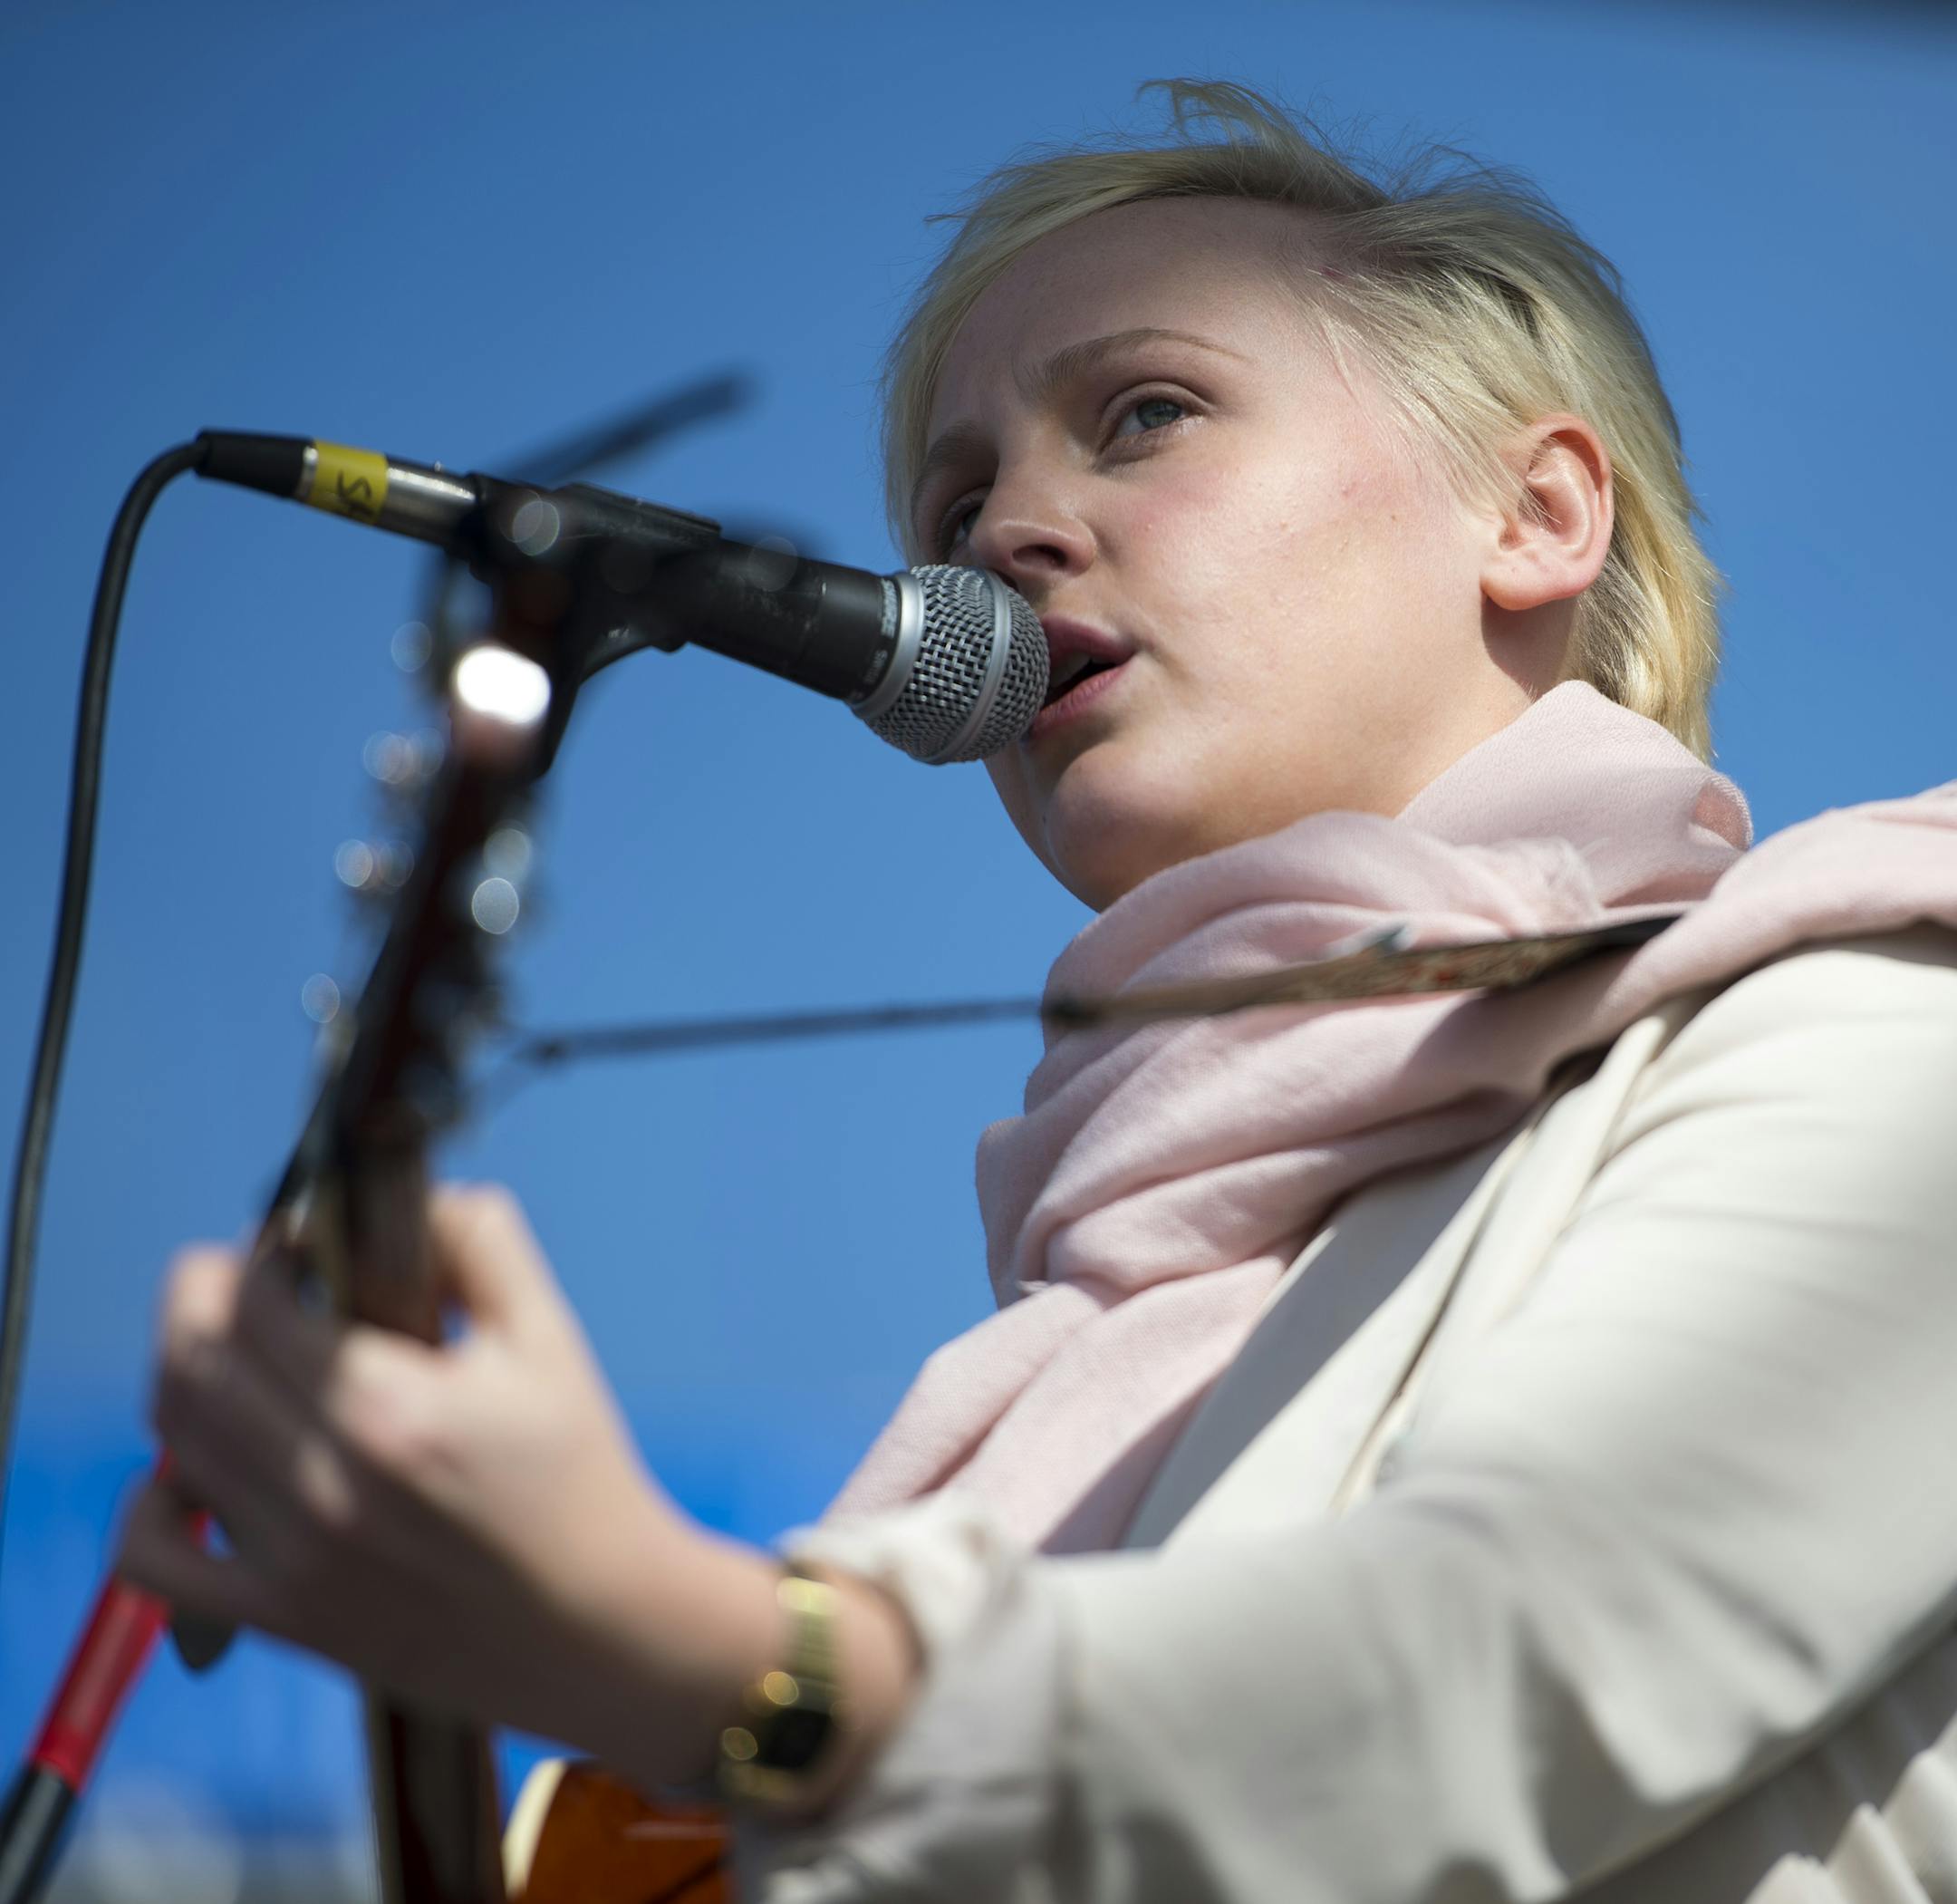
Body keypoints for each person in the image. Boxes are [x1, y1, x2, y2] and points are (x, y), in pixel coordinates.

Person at [121, 81, 1957, 1902]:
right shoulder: (1085, 1330)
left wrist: (701, 1651)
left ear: (1536, 513)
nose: (1007, 529)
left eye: (1145, 412)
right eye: (958, 490)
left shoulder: (1875, 1022)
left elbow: (1482, 1676)